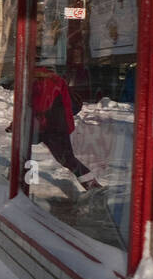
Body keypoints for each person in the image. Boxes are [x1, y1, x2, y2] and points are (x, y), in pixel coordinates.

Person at [31, 63, 101, 192]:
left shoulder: (46, 81)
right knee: (21, 148)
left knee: (67, 159)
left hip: (55, 126)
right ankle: (16, 179)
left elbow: (40, 106)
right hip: (50, 125)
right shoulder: (44, 79)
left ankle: (93, 186)